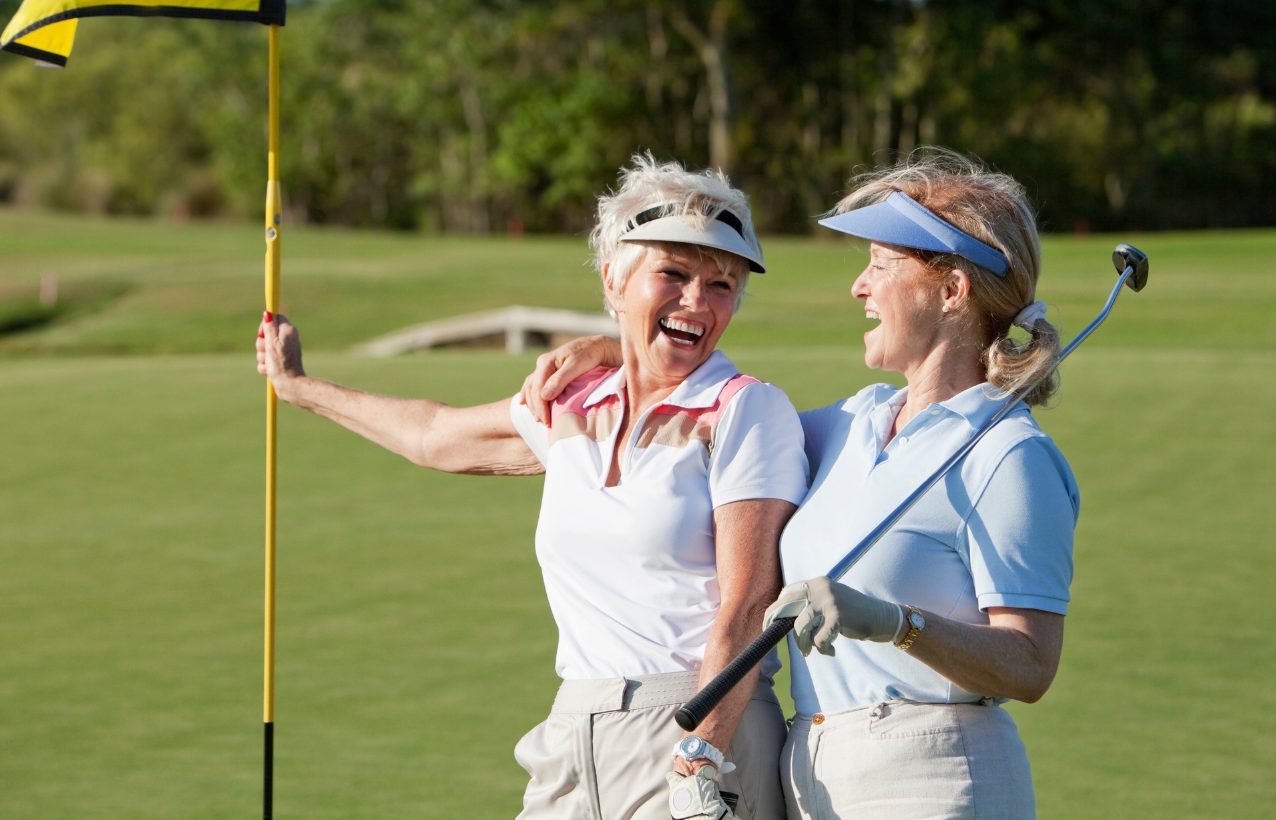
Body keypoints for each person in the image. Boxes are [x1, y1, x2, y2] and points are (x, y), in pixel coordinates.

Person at [524, 151, 1079, 819]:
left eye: (880, 263)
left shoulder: (1010, 453)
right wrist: (618, 350)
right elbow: (715, 415)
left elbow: (1029, 664)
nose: (858, 286)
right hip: (812, 777)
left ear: (952, 290)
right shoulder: (852, 422)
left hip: (936, 776)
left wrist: (898, 624)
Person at [256, 156, 808, 820]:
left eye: (722, 284)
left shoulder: (746, 409)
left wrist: (700, 756)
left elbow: (748, 608)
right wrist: (299, 388)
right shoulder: (572, 400)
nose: (697, 300)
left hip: (695, 724)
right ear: (615, 280)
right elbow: (436, 434)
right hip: (573, 731)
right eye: (674, 273)